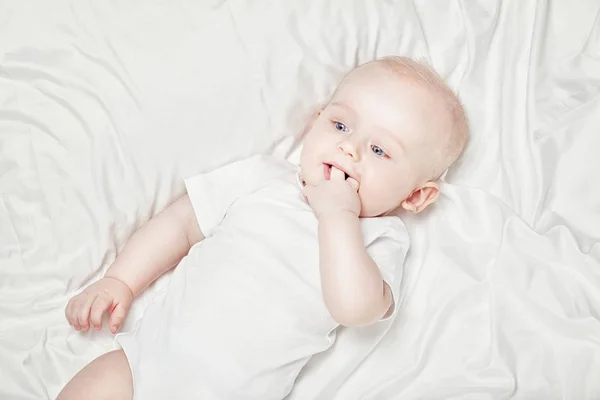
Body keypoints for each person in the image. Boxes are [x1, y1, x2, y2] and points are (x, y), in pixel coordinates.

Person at [58, 56, 468, 400]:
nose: (349, 149)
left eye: (379, 150)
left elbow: (355, 308)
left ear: (416, 197)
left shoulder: (381, 239)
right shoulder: (264, 177)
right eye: (341, 126)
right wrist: (121, 281)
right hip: (141, 365)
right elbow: (181, 224)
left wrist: (337, 219)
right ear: (316, 122)